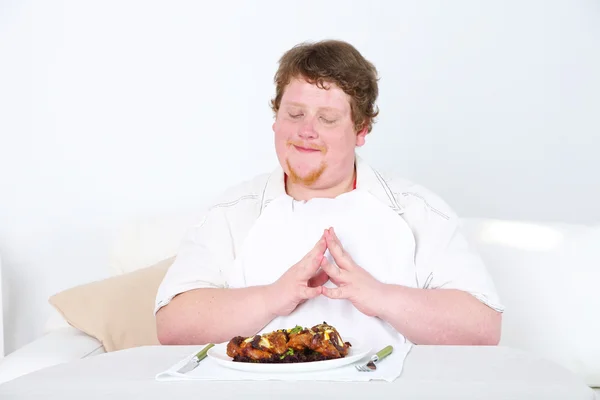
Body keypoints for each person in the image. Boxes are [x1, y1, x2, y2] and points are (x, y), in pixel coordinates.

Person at [154, 40, 503, 350]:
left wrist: (379, 296)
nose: (307, 131)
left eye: (328, 119)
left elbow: (483, 328)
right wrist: (274, 298)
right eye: (295, 114)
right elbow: (172, 325)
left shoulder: (416, 212)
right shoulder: (231, 214)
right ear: (276, 119)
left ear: (361, 129)